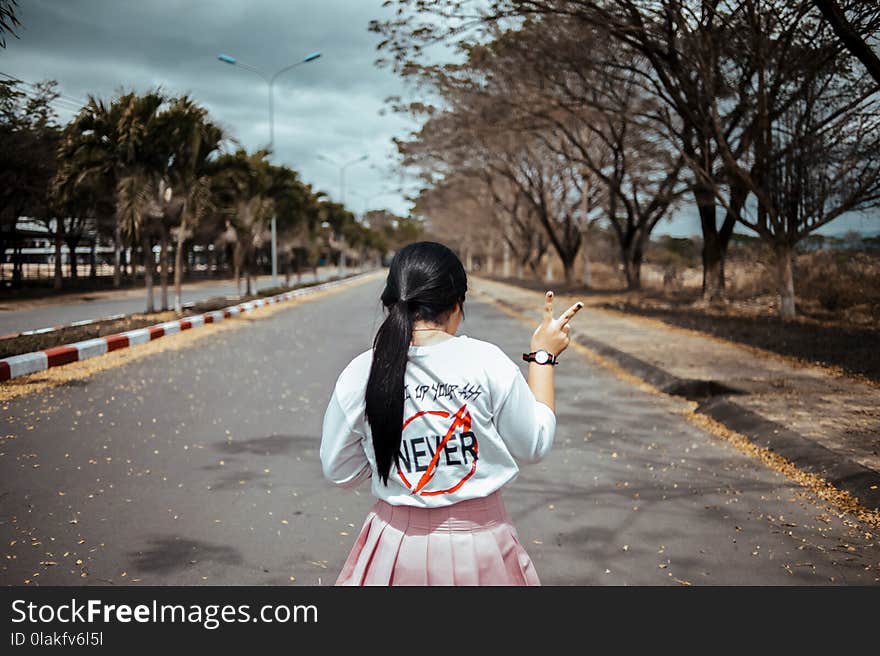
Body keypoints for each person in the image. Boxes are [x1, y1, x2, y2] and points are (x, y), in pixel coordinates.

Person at [320, 241, 583, 585]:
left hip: (394, 547)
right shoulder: (486, 362)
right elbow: (533, 444)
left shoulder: (362, 371)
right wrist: (543, 356)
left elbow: (339, 470)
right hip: (481, 546)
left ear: (392, 303)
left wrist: (392, 451)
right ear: (457, 304)